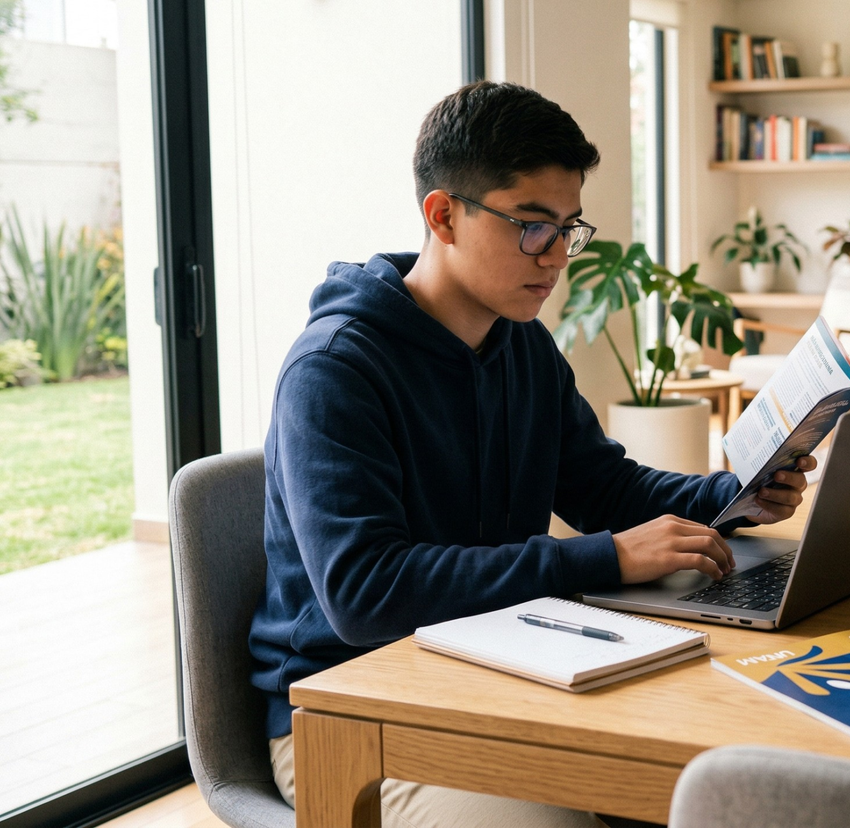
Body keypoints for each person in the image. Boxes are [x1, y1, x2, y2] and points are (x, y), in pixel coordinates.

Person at [248, 81, 813, 827]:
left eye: (568, 229)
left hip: (502, 663)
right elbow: (365, 593)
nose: (556, 258)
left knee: (723, 778)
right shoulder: (334, 370)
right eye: (531, 226)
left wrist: (728, 494)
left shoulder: (523, 345)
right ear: (442, 214)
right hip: (355, 711)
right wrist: (602, 558)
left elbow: (603, 488)